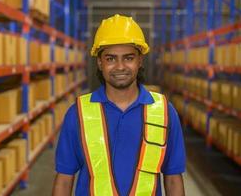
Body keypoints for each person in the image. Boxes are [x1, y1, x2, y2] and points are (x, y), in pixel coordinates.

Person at [53, 14, 186, 196]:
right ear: (100, 62)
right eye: (110, 59)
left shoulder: (164, 112)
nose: (120, 66)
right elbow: (64, 179)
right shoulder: (78, 113)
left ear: (140, 60)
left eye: (128, 58)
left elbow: (172, 178)